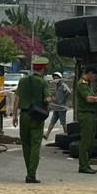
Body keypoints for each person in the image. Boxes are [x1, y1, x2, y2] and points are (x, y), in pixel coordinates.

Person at [12, 55, 51, 184]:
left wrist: (14, 115)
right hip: (36, 116)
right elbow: (48, 99)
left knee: (26, 145)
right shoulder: (43, 82)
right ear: (43, 70)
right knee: (35, 146)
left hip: (24, 115)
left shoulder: (22, 81)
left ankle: (29, 170)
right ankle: (31, 174)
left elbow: (17, 98)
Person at [74, 66, 97, 173]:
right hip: (86, 115)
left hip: (90, 114)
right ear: (89, 73)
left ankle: (86, 164)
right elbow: (89, 99)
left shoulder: (87, 84)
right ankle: (83, 165)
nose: (94, 79)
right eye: (94, 76)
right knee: (85, 141)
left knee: (90, 141)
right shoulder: (82, 84)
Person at [45, 73, 71, 141]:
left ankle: (66, 134)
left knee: (63, 122)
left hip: (62, 107)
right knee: (52, 121)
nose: (55, 79)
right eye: (55, 78)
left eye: (57, 78)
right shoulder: (56, 86)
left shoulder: (63, 85)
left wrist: (64, 98)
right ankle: (47, 134)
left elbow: (69, 92)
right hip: (56, 107)